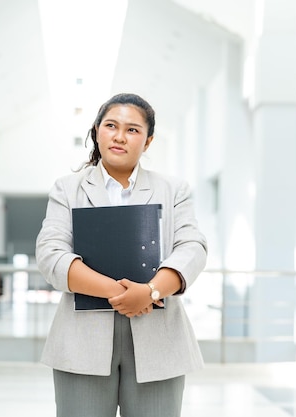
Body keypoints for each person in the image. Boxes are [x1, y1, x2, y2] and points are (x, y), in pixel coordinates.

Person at [35, 93, 207, 417]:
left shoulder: (174, 190)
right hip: (81, 340)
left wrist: (151, 292)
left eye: (132, 130)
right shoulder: (67, 189)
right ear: (97, 130)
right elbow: (50, 253)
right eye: (111, 126)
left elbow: (192, 247)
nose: (119, 136)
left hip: (159, 338)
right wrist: (124, 293)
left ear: (148, 140)